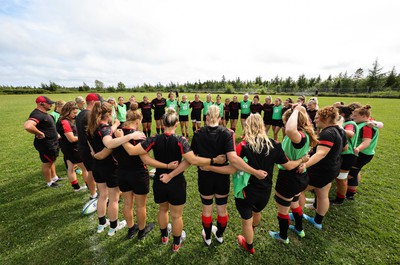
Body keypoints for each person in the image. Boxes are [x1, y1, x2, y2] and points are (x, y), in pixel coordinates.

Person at [115, 108, 227, 252]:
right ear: (177, 124)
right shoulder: (181, 140)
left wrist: (121, 139)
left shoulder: (154, 138)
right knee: (176, 215)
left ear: (162, 122)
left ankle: (164, 237)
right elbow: (192, 160)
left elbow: (132, 151)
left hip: (160, 180)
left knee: (162, 210)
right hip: (176, 182)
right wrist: (213, 160)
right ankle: (176, 243)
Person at [201, 113, 303, 254]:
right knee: (257, 211)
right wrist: (301, 160)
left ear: (247, 126)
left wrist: (210, 167)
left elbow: (231, 169)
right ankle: (251, 231)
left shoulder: (243, 146)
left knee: (246, 221)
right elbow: (289, 165)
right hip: (265, 191)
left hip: (246, 192)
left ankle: (249, 244)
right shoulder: (275, 145)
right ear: (262, 125)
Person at [190, 106, 268, 247]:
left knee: (206, 208)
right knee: (222, 209)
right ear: (220, 118)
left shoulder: (198, 133)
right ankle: (219, 235)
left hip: (204, 176)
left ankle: (207, 237)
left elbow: (193, 158)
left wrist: (207, 164)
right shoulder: (227, 133)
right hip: (222, 177)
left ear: (206, 117)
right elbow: (232, 158)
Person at [112, 103, 179, 240]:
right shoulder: (138, 136)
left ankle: (131, 229)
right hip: (138, 173)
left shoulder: (116, 134)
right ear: (137, 121)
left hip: (122, 173)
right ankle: (141, 231)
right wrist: (166, 166)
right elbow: (146, 160)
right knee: (140, 205)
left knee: (127, 203)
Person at [87, 101, 145, 236]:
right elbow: (108, 142)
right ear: (109, 114)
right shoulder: (105, 129)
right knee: (113, 198)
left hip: (96, 166)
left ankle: (102, 223)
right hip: (109, 167)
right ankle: (114, 225)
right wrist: (129, 136)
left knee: (102, 195)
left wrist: (96, 154)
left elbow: (91, 144)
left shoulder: (91, 127)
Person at [269, 105, 317, 244]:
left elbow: (290, 130)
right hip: (300, 177)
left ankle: (283, 236)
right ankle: (299, 228)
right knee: (295, 203)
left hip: (289, 177)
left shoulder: (298, 136)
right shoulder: (305, 133)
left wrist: (296, 110)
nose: (284, 124)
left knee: (283, 209)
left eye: (285, 121)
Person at [301, 106, 347, 230]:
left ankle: (297, 215)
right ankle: (317, 222)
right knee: (322, 194)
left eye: (317, 118)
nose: (315, 121)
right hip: (333, 168)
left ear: (325, 118)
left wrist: (305, 164)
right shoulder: (340, 130)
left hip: (322, 170)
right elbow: (345, 148)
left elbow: (321, 153)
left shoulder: (327, 133)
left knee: (297, 190)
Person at [24, 96, 61, 187]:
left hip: (52, 142)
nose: (51, 105)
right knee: (47, 162)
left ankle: (54, 177)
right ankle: (49, 182)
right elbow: (28, 126)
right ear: (41, 103)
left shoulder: (43, 113)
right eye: (49, 103)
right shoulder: (37, 114)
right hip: (46, 144)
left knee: (51, 160)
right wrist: (40, 133)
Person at [346, 105, 380, 200]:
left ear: (364, 116)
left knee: (352, 174)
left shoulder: (367, 127)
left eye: (355, 116)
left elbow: (366, 142)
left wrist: (358, 149)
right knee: (354, 172)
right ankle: (349, 192)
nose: (353, 117)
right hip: (362, 153)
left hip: (363, 154)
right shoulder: (365, 123)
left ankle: (350, 195)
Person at [330, 105, 359, 205]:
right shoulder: (344, 123)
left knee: (341, 179)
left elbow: (350, 133)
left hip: (347, 156)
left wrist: (335, 127)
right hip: (341, 154)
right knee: (334, 177)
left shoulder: (349, 123)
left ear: (341, 114)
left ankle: (340, 199)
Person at [56, 101, 88, 192]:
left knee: (71, 168)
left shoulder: (62, 120)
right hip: (73, 149)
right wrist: (83, 136)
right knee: (85, 168)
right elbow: (71, 138)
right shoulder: (65, 122)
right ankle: (89, 186)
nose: (75, 115)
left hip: (66, 148)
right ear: (68, 111)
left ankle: (76, 188)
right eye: (74, 112)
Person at [75, 93, 101, 200]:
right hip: (88, 149)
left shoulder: (81, 114)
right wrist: (93, 150)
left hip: (82, 147)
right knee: (94, 172)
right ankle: (97, 193)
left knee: (90, 171)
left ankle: (93, 193)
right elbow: (88, 135)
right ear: (93, 102)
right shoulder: (88, 115)